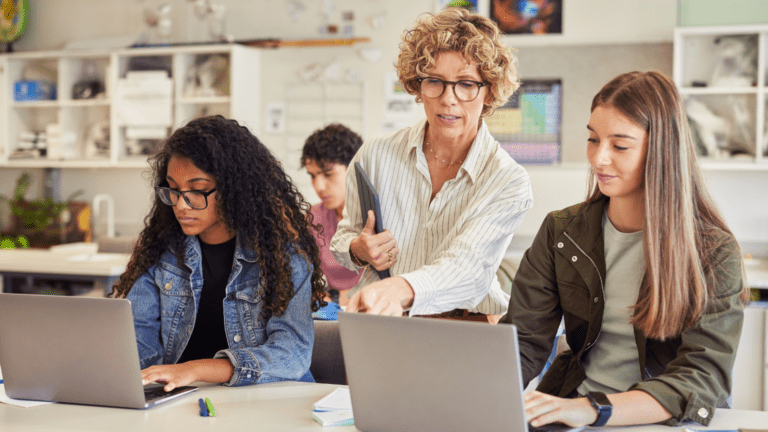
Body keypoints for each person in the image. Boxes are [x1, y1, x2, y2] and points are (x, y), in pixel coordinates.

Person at [501, 71, 749, 428]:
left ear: (662, 150)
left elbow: (702, 376)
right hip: (574, 415)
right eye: (592, 139)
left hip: (661, 421)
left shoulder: (712, 251)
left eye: (619, 146)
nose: (599, 159)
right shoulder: (562, 231)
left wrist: (593, 408)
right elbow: (523, 344)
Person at [330, 8, 533, 322]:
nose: (448, 98)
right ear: (417, 84)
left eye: (466, 84)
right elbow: (343, 240)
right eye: (435, 81)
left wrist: (401, 288)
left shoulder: (507, 180)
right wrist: (359, 248)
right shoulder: (375, 155)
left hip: (466, 324)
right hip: (384, 320)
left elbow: (467, 268)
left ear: (490, 90)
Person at [111, 115, 326, 391]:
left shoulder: (282, 257)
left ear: (234, 190)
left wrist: (197, 368)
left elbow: (291, 353)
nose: (181, 205)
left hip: (265, 402)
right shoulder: (161, 252)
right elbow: (136, 340)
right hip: (181, 402)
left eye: (197, 191)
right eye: (173, 190)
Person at [301, 123, 364, 307]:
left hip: (372, 308)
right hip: (332, 309)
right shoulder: (313, 217)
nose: (319, 186)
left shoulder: (377, 213)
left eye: (328, 174)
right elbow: (304, 277)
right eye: (312, 176)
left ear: (354, 170)